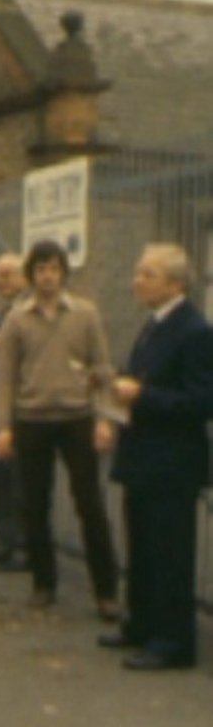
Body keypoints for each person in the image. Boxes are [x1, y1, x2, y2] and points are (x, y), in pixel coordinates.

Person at [100, 244, 213, 670]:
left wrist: (143, 395)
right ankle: (142, 624)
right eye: (138, 272)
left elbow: (201, 400)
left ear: (175, 284)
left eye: (147, 274)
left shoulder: (195, 331)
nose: (137, 281)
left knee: (170, 551)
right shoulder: (152, 325)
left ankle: (173, 640)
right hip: (143, 453)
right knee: (142, 544)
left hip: (172, 460)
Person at [0, 239, 120, 620]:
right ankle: (43, 583)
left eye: (54, 269)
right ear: (31, 275)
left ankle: (107, 591)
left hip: (76, 417)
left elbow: (102, 369)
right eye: (40, 270)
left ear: (64, 273)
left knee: (90, 505)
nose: (47, 277)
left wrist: (104, 419)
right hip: (32, 419)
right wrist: (4, 427)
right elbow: (6, 378)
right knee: (35, 505)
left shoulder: (85, 314)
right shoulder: (17, 319)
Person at [0, 253, 30, 572]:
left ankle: (23, 546)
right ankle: (5, 540)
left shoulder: (27, 312)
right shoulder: (3, 311)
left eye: (9, 275)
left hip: (19, 404)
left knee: (19, 479)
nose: (2, 282)